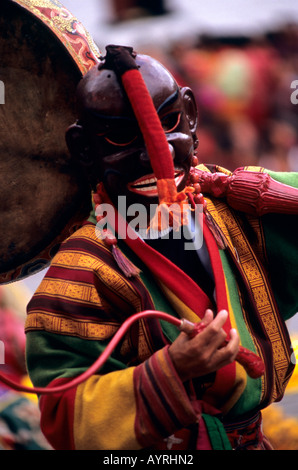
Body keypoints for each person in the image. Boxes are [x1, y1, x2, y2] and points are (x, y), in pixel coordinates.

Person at [25, 45, 298, 450]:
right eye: (121, 136)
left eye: (169, 122)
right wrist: (171, 369)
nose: (161, 152)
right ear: (85, 149)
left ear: (191, 114)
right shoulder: (80, 271)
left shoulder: (229, 201)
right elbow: (66, 418)